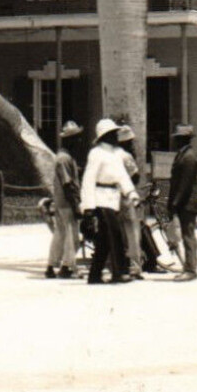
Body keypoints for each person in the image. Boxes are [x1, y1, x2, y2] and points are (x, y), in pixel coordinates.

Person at [80, 118, 135, 284]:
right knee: (115, 234)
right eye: (112, 133)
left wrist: (131, 193)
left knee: (104, 240)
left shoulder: (116, 154)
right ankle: (119, 272)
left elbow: (122, 176)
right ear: (105, 136)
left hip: (113, 198)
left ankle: (94, 275)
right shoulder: (96, 154)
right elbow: (88, 180)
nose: (116, 136)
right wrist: (88, 207)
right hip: (100, 198)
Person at [45, 121, 83, 278]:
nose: (79, 141)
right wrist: (76, 205)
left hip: (60, 201)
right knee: (71, 236)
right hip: (67, 202)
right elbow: (68, 184)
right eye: (76, 138)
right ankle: (67, 267)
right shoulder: (64, 159)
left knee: (60, 235)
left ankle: (51, 265)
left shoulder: (65, 157)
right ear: (69, 140)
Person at [167, 124, 197, 281]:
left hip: (187, 203)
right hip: (183, 202)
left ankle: (191, 269)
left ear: (182, 140)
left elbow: (185, 184)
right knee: (187, 234)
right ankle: (188, 267)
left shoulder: (189, 157)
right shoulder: (183, 155)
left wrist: (175, 203)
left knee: (188, 235)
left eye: (177, 139)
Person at [114, 125, 145, 279]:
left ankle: (121, 264)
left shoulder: (112, 154)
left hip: (112, 198)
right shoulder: (126, 156)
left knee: (119, 233)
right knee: (132, 233)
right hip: (126, 197)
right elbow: (135, 177)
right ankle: (135, 266)